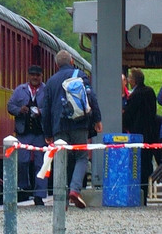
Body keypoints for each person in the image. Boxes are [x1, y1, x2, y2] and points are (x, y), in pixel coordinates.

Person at [41, 49, 102, 209]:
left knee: (63, 160)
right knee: (81, 157)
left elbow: (45, 109)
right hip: (79, 124)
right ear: (72, 61)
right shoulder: (80, 75)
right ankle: (75, 190)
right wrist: (97, 119)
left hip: (59, 127)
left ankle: (63, 199)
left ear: (56, 64)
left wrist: (47, 133)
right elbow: (91, 96)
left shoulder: (51, 81)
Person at [7, 64, 48, 205]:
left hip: (40, 133)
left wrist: (41, 112)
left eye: (37, 75)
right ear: (28, 76)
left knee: (40, 164)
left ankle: (39, 195)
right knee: (22, 161)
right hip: (23, 132)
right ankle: (23, 187)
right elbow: (10, 106)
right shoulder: (20, 90)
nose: (35, 77)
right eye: (32, 75)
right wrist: (20, 110)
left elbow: (51, 108)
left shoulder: (46, 90)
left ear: (41, 76)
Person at [123, 68, 158, 204]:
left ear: (134, 81)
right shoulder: (150, 92)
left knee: (138, 164)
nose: (129, 81)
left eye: (130, 78)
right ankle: (145, 193)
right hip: (150, 135)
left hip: (138, 135)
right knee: (147, 163)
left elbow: (128, 116)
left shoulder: (135, 95)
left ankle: (139, 195)